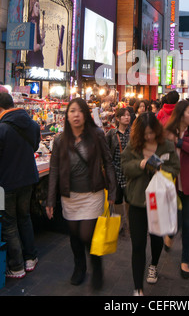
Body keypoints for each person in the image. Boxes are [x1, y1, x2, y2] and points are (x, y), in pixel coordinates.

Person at [46, 98, 117, 289]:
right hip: (70, 197)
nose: (76, 115)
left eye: (80, 111)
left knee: (87, 234)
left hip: (92, 194)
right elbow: (54, 169)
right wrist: (50, 200)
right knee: (74, 234)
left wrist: (112, 190)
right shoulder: (60, 140)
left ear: (86, 115)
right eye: (72, 111)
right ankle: (80, 267)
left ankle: (97, 267)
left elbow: (108, 162)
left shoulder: (97, 134)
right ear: (67, 116)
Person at [121, 112, 180, 296]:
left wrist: (160, 167)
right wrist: (141, 164)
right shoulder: (133, 146)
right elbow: (125, 167)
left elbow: (175, 168)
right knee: (137, 244)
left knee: (156, 238)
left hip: (159, 201)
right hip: (138, 201)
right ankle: (138, 287)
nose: (149, 136)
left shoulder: (167, 145)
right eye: (145, 133)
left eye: (151, 132)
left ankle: (153, 264)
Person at [0, 92, 41, 278]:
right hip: (28, 179)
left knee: (9, 223)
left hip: (6, 182)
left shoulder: (2, 128)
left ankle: (16, 267)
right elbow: (34, 146)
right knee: (24, 217)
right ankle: (30, 257)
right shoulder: (31, 124)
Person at [165, 100, 189, 278]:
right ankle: (170, 235)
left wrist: (178, 141)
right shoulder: (167, 131)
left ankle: (185, 261)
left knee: (187, 223)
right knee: (175, 220)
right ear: (180, 114)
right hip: (171, 184)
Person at [106, 107, 131, 235]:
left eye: (128, 115)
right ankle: (119, 224)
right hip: (115, 171)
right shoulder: (111, 133)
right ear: (117, 118)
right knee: (116, 199)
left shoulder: (132, 133)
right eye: (124, 115)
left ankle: (128, 224)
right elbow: (106, 151)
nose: (127, 117)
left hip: (129, 172)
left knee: (129, 198)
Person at [27, 0, 45, 68]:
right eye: (36, 6)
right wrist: (42, 43)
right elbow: (35, 48)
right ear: (32, 6)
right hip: (35, 59)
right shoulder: (33, 22)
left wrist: (42, 37)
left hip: (33, 58)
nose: (38, 9)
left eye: (39, 7)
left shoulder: (31, 21)